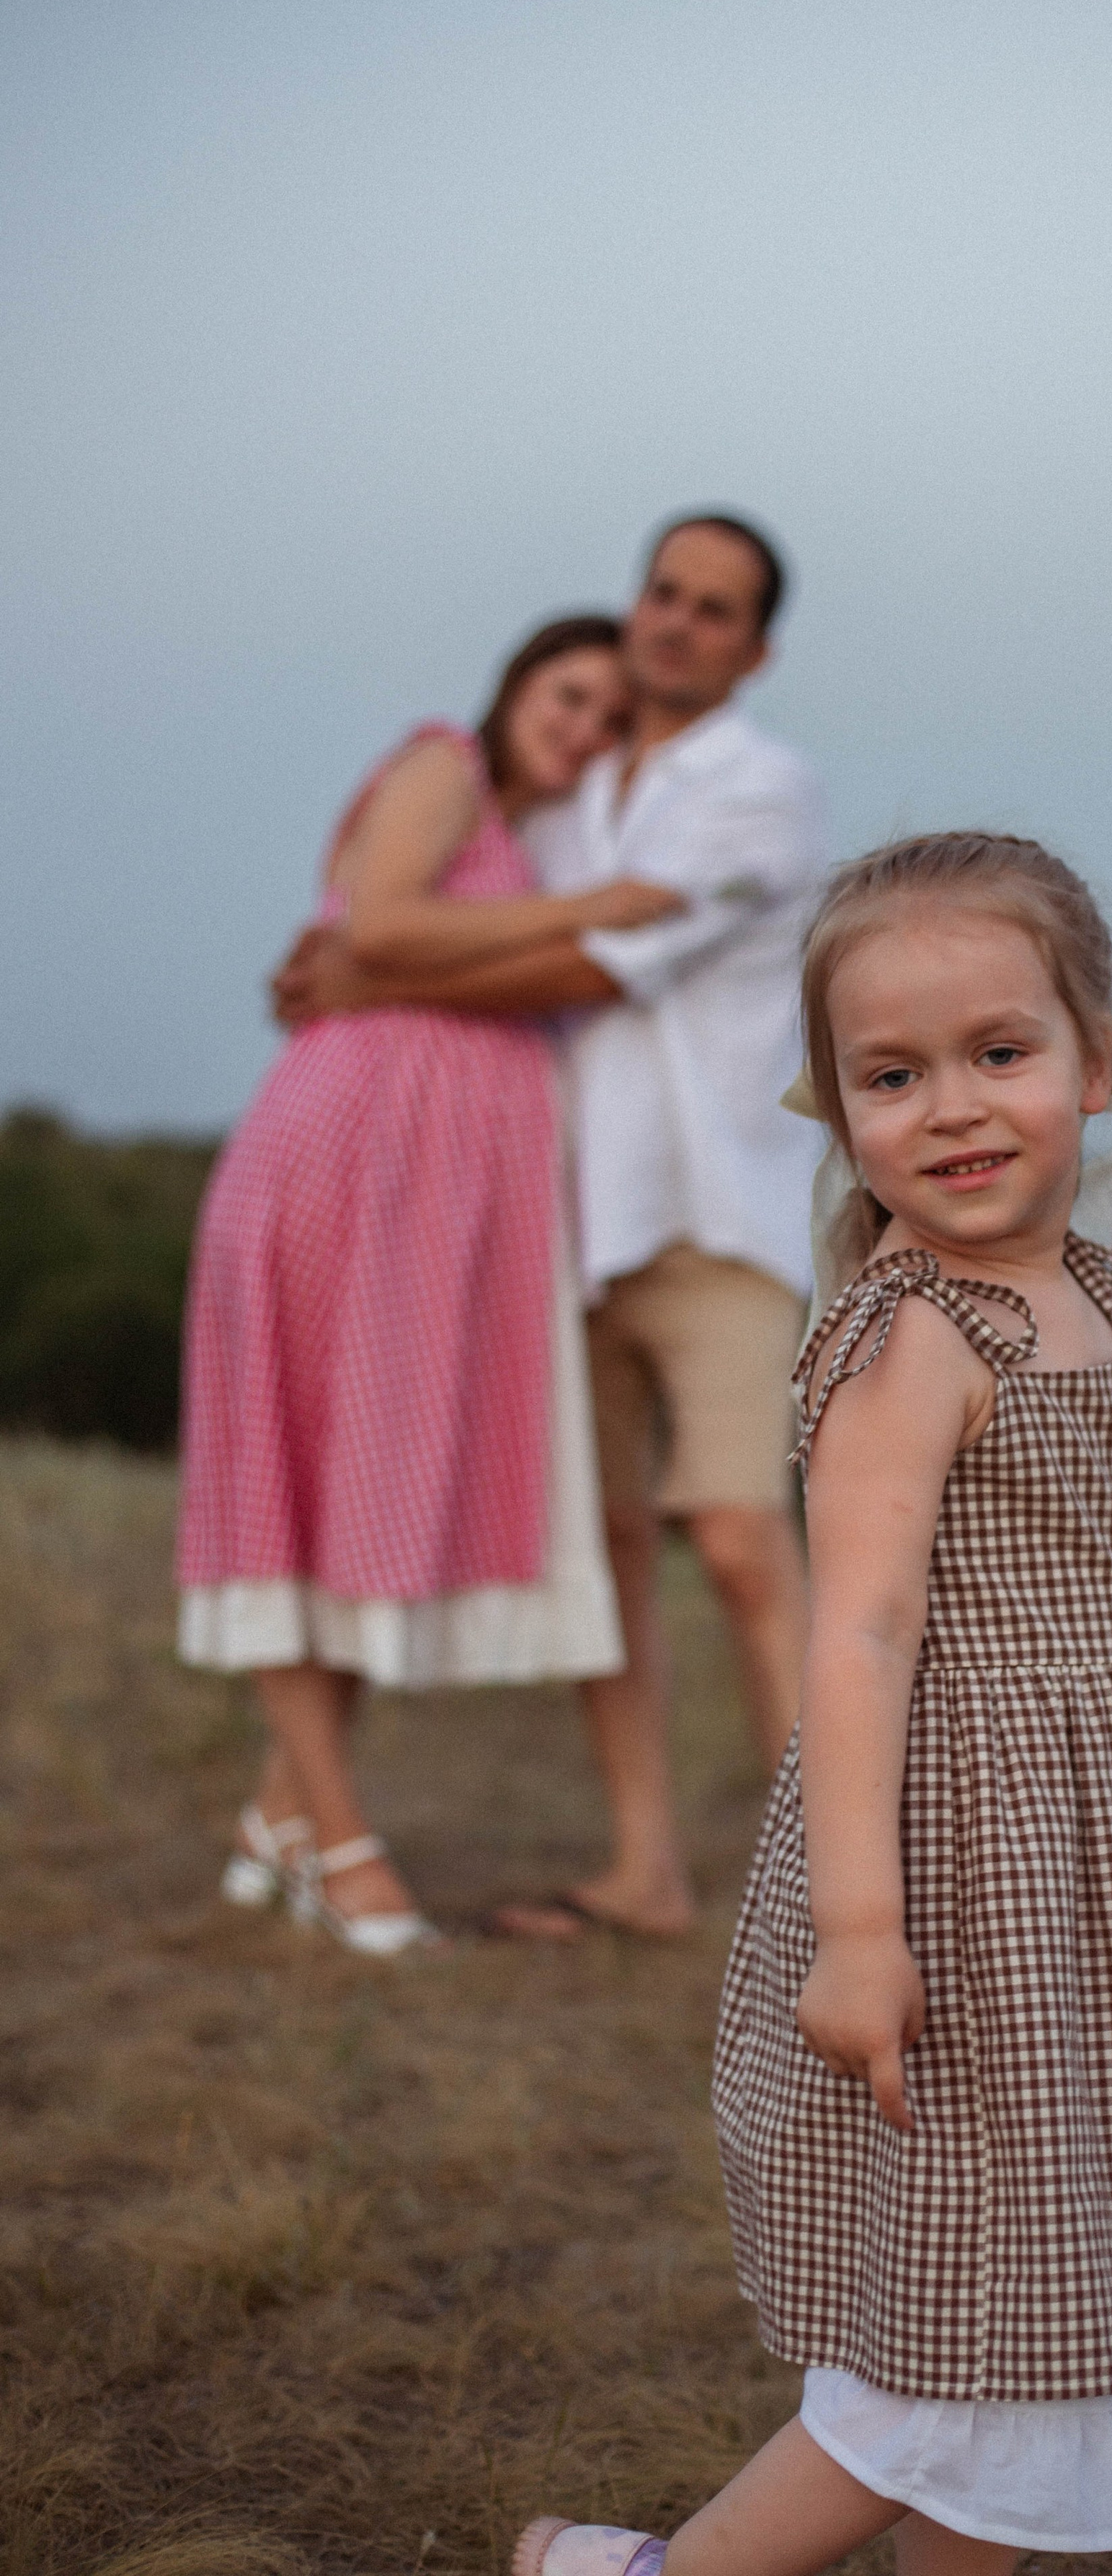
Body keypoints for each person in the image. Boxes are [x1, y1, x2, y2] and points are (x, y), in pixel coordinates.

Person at [515, 833, 1112, 2576]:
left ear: (1099, 1065)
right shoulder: (915, 1336)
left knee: (1053, 2285)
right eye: (891, 1075)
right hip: (961, 1870)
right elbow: (856, 1638)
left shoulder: (1077, 1293)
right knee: (975, 2312)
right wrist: (859, 1933)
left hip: (1098, 1857)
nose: (951, 1108)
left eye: (997, 1052)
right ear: (838, 1108)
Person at [277, 514, 827, 1942]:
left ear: (756, 651)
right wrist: (358, 959)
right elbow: (455, 913)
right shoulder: (560, 793)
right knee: (611, 1554)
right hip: (558, 1218)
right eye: (664, 591)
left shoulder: (762, 794)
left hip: (714, 1215)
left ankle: (835, 1892)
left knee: (738, 1535)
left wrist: (376, 976)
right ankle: (645, 1871)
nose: (677, 622)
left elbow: (595, 962)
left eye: (714, 609)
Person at [179, 616, 685, 1956]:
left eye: (611, 719)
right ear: (517, 685)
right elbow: (389, 923)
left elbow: (408, 949)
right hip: (347, 1164)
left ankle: (280, 1819)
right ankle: (344, 1850)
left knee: (361, 1491)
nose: (583, 729)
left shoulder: (532, 836)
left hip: (431, 1212)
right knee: (297, 1490)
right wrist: (587, 910)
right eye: (569, 695)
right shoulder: (442, 763)